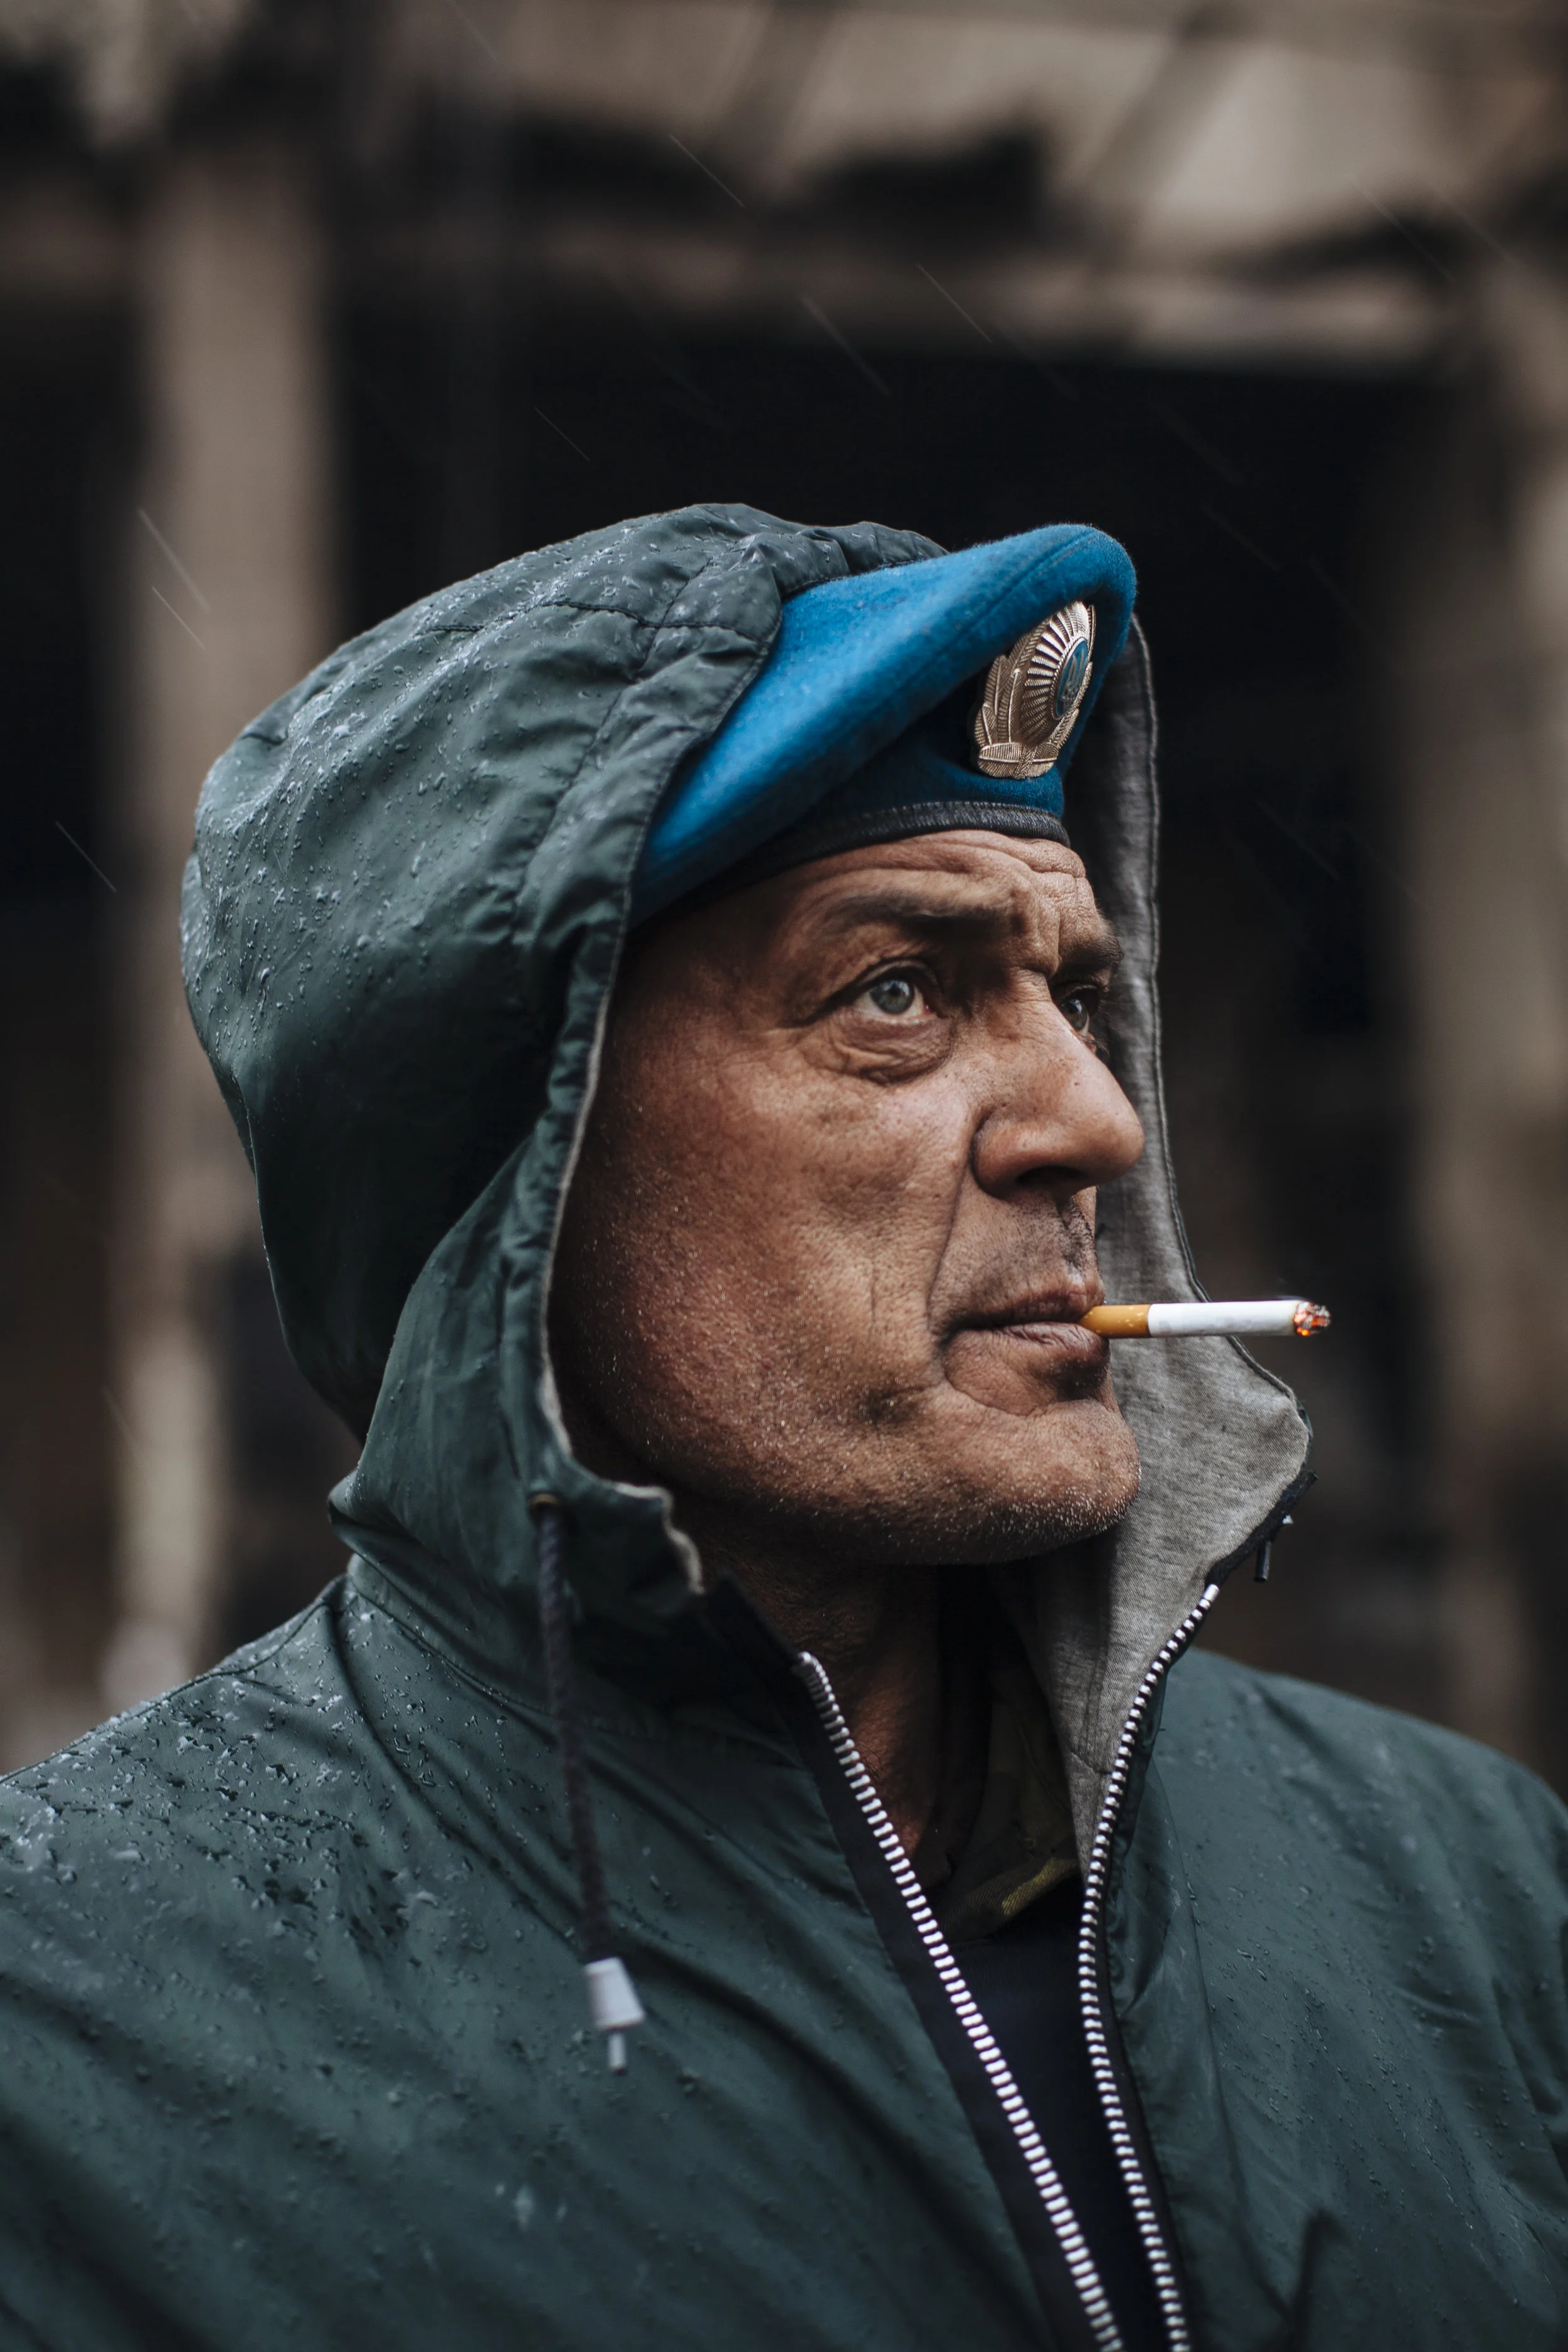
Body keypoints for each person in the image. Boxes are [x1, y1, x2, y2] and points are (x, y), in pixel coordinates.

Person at [1, 506, 1565, 2352]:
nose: (1095, 1120)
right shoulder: (75, 2023)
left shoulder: (1470, 1885)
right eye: (897, 991)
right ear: (522, 1170)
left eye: (1075, 995)